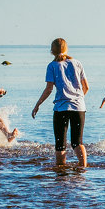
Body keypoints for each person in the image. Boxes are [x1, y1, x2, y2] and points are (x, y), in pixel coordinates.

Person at [32, 38, 89, 167]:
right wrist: (77, 98)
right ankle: (83, 168)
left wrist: (37, 104)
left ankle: (60, 172)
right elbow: (86, 87)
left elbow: (49, 89)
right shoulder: (77, 63)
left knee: (60, 143)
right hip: (79, 107)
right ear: (66, 49)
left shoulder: (52, 66)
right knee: (78, 142)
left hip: (61, 108)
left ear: (52, 51)